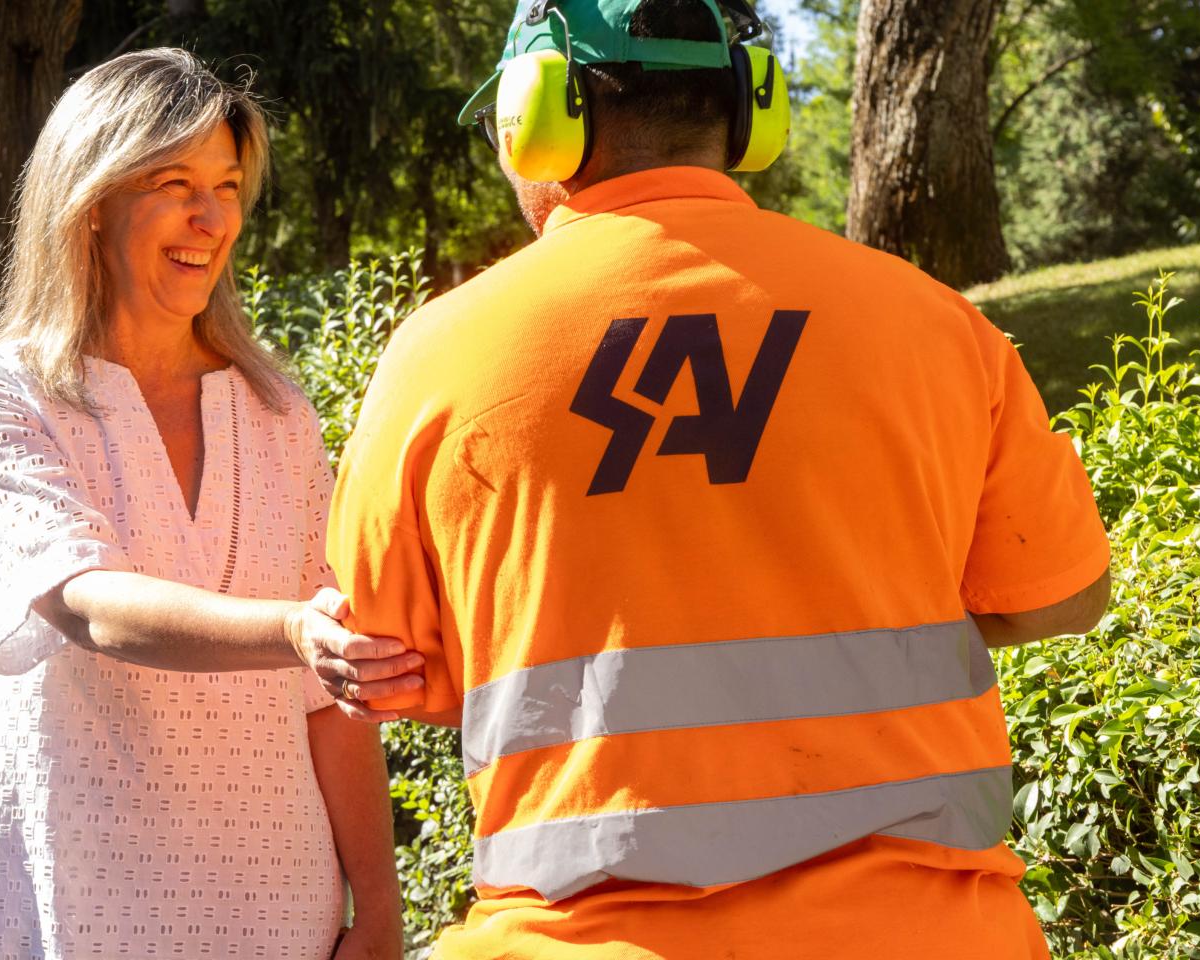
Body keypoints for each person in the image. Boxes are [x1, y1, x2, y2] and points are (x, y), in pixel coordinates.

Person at [327, 1, 1112, 957]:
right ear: (751, 111)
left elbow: (398, 666)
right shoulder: (937, 326)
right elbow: (1062, 597)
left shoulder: (436, 356)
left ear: (536, 123)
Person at [0, 49, 416, 960]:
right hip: (52, 896)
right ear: (91, 201)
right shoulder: (4, 395)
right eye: (174, 182)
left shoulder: (278, 411)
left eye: (227, 184)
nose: (210, 217)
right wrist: (295, 629)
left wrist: (378, 902)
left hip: (268, 904)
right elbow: (83, 600)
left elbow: (326, 701)